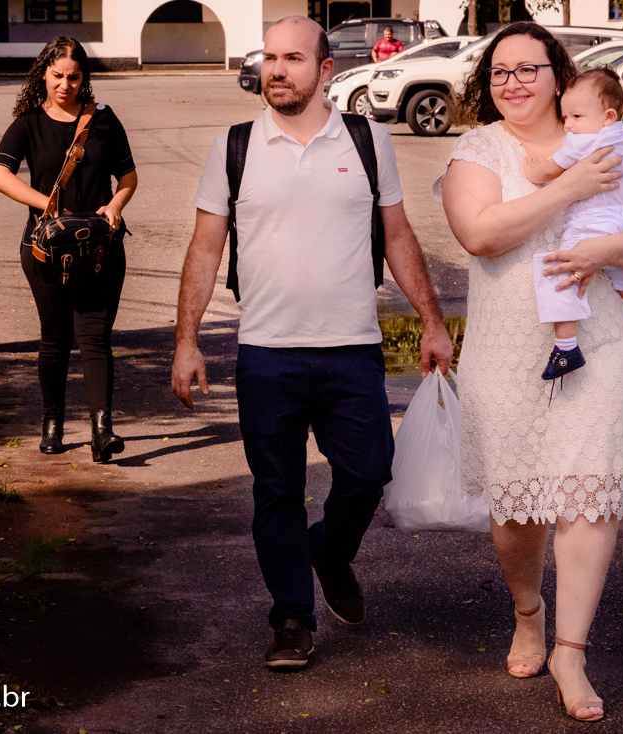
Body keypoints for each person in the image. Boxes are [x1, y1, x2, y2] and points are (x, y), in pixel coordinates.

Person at [172, 16, 452, 669]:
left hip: (352, 347)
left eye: (292, 58)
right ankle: (292, 618)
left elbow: (399, 236)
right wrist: (186, 340)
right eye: (270, 57)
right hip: (267, 353)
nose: (276, 69)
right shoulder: (233, 146)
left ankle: (329, 549)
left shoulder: (366, 139)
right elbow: (204, 246)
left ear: (325, 70)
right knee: (276, 490)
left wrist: (432, 322)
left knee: (369, 470)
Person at [437, 22, 623, 722]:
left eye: (528, 69)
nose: (513, 83)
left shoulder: (607, 140)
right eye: (499, 72)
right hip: (506, 351)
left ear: (557, 73)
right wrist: (571, 185)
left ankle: (571, 651)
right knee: (517, 511)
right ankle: (528, 609)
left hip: (601, 344)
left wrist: (605, 249)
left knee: (590, 494)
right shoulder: (477, 150)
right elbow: (481, 234)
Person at [0, 37, 137, 462]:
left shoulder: (104, 121)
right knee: (56, 339)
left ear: (83, 78)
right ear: (44, 76)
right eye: (58, 76)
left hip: (100, 248)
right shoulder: (29, 124)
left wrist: (114, 204)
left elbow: (128, 178)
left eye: (74, 77)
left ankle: (102, 429)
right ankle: (52, 422)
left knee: (96, 338)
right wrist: (45, 204)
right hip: (47, 251)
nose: (65, 85)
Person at [523, 67, 623, 380]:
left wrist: (532, 170)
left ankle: (566, 348)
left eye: (575, 117)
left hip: (588, 227)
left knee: (560, 280)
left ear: (608, 116)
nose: (568, 124)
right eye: (565, 116)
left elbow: (548, 173)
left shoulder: (579, 145)